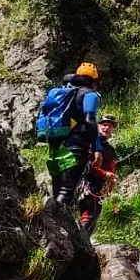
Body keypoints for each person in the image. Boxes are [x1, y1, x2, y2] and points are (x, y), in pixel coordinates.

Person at [48, 62, 101, 207]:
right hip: (75, 147)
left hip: (56, 146)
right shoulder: (89, 94)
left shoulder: (64, 94)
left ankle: (49, 224)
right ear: (95, 82)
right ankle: (55, 225)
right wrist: (97, 148)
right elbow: (90, 120)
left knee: (58, 191)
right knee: (66, 192)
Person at [78, 114, 118, 235]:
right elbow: (87, 164)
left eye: (110, 126)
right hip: (86, 185)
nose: (106, 128)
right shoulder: (91, 143)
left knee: (94, 218)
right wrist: (104, 173)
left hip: (99, 189)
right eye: (104, 125)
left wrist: (111, 181)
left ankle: (85, 246)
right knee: (88, 217)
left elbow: (111, 167)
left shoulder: (110, 149)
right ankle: (78, 243)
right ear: (98, 126)